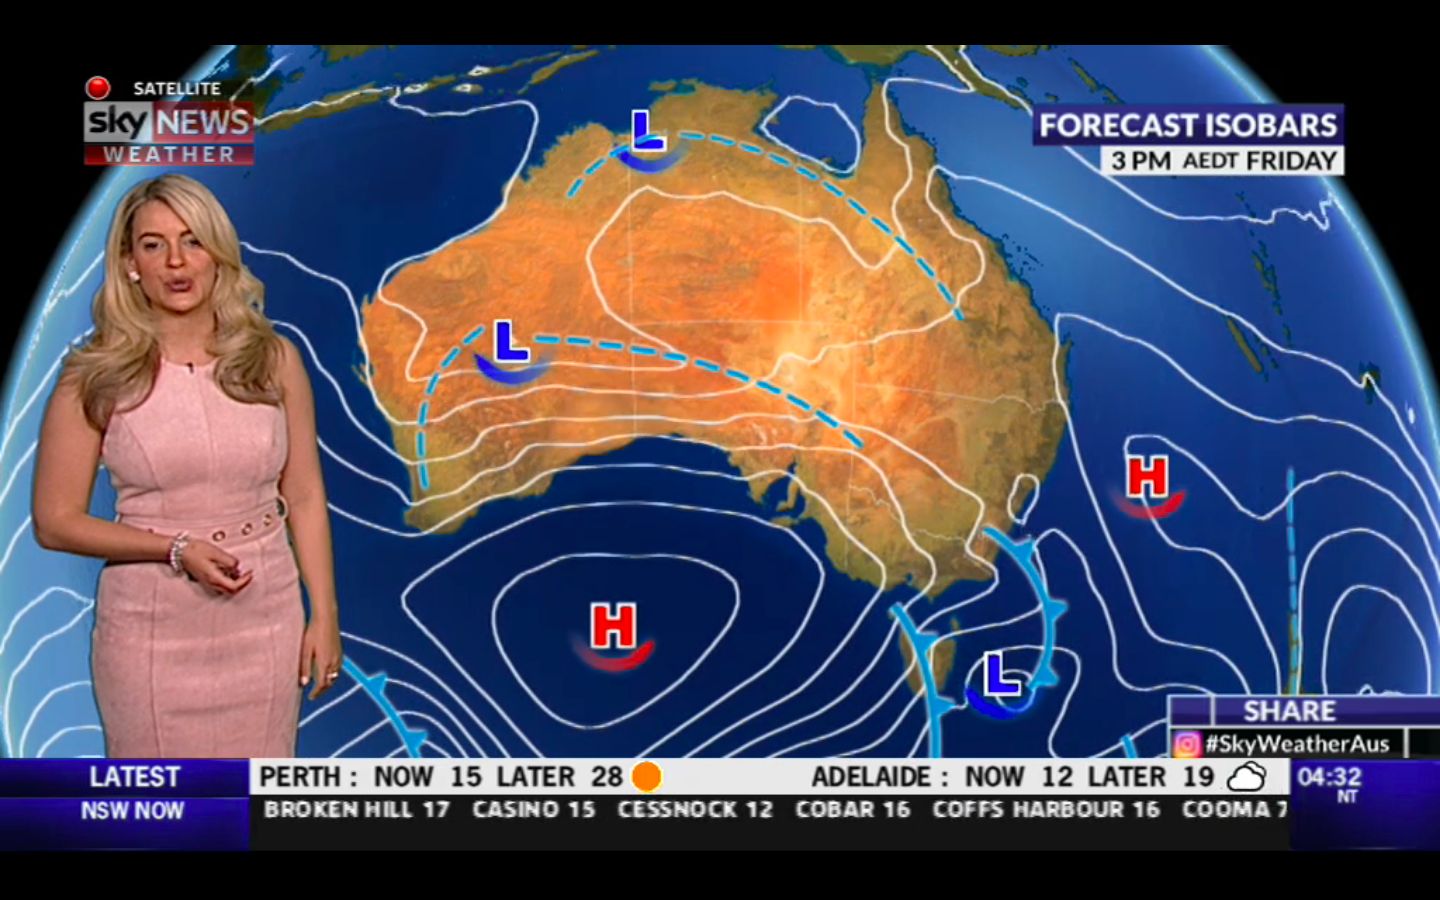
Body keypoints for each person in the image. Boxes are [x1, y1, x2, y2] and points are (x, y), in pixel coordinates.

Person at [31, 173, 342, 758]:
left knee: (252, 800)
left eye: (193, 240)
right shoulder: (94, 375)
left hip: (267, 619)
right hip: (152, 631)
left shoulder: (273, 359)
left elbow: (303, 495)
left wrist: (323, 614)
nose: (176, 261)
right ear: (130, 264)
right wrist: (175, 549)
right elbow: (55, 521)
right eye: (154, 245)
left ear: (218, 253)